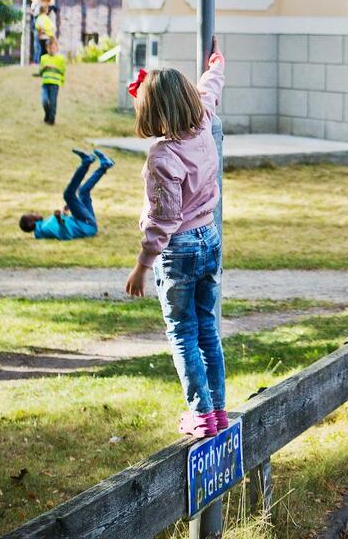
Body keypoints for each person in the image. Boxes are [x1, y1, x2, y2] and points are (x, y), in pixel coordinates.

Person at [124, 41, 228, 442]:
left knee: (182, 332)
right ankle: (217, 410)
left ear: (153, 113)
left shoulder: (162, 158)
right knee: (207, 329)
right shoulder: (203, 118)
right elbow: (211, 86)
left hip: (181, 249)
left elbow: (163, 220)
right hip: (210, 239)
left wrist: (142, 266)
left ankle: (201, 415)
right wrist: (216, 62)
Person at [19, 148, 114, 239]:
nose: (35, 213)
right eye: (32, 215)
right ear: (31, 223)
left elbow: (65, 224)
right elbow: (66, 235)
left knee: (83, 192)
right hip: (85, 225)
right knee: (68, 194)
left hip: (85, 223)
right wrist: (60, 220)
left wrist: (64, 212)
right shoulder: (45, 228)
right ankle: (86, 161)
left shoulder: (43, 226)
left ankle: (104, 165)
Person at [34, 36, 66, 125]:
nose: (51, 49)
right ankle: (47, 115)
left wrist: (62, 81)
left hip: (55, 84)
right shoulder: (44, 58)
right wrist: (43, 68)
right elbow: (40, 72)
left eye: (53, 47)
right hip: (45, 84)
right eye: (49, 47)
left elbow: (63, 71)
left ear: (57, 47)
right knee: (44, 101)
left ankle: (51, 120)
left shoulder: (61, 59)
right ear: (47, 48)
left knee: (53, 102)